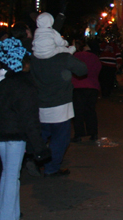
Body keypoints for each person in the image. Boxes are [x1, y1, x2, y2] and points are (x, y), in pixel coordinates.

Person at [0, 37, 50, 219]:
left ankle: (7, 212)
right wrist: (39, 147)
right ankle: (7, 215)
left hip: (2, 133)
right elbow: (30, 119)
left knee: (7, 174)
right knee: (12, 176)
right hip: (15, 135)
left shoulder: (3, 83)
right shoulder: (25, 86)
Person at [29, 34, 87, 177]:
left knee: (41, 136)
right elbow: (82, 70)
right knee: (60, 139)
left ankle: (34, 158)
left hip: (39, 105)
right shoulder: (62, 58)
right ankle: (51, 167)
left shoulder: (33, 59)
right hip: (60, 106)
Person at [71, 40, 102, 142]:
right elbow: (98, 70)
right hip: (92, 87)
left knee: (78, 111)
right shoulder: (95, 58)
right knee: (90, 110)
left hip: (78, 86)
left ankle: (79, 134)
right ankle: (93, 133)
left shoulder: (77, 55)